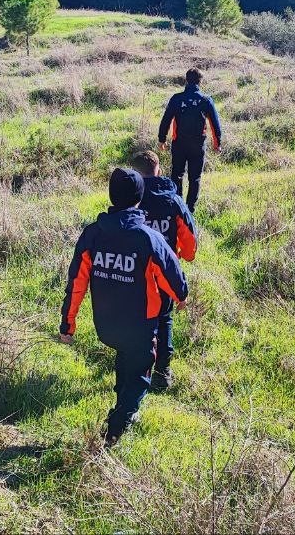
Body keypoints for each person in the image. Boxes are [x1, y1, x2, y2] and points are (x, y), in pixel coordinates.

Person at [60, 168, 189, 447]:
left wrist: (67, 324)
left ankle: (123, 405)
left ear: (111, 195)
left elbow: (76, 283)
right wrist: (181, 298)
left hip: (106, 325)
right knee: (141, 371)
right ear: (139, 199)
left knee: (123, 357)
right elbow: (174, 279)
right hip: (140, 325)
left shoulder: (92, 234)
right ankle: (116, 426)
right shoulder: (148, 238)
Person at [130, 150, 197, 392]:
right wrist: (185, 257)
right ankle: (161, 373)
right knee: (164, 318)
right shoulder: (173, 201)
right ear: (158, 170)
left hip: (134, 270)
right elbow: (189, 239)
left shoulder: (129, 200)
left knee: (138, 318)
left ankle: (135, 368)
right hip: (166, 273)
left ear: (135, 173)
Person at [157, 68, 223, 212]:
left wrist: (162, 139)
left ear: (186, 80)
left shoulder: (176, 98)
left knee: (177, 175)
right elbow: (215, 123)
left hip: (179, 144)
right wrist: (217, 144)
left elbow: (166, 120)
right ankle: (190, 209)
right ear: (200, 82)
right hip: (198, 145)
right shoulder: (206, 100)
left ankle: (178, 207)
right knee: (195, 178)